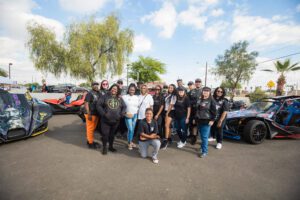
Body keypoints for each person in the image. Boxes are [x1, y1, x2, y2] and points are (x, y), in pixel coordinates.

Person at [96, 84, 126, 155]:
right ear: (110, 89)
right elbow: (98, 105)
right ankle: (104, 147)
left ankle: (110, 147)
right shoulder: (105, 96)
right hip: (106, 120)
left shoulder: (119, 98)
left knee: (112, 135)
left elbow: (124, 106)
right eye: (113, 88)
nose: (114, 90)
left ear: (117, 90)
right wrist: (104, 114)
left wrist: (121, 114)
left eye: (116, 89)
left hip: (116, 121)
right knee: (105, 135)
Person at [195, 87, 217, 158]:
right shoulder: (199, 99)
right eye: (204, 91)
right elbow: (197, 110)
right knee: (201, 136)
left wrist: (212, 120)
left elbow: (214, 112)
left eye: (207, 91)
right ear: (202, 92)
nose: (205, 92)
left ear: (210, 92)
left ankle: (205, 152)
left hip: (207, 121)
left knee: (204, 137)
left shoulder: (212, 100)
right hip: (199, 120)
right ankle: (202, 147)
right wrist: (195, 118)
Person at [122, 85, 139, 150]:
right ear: (128, 90)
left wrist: (136, 113)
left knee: (133, 130)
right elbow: (121, 105)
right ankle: (129, 143)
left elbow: (138, 106)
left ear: (135, 91)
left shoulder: (137, 97)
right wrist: (124, 113)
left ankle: (131, 142)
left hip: (135, 115)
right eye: (131, 90)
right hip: (128, 115)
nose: (132, 91)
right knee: (130, 129)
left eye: (133, 90)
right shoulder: (124, 97)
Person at [160, 84, 177, 150]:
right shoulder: (168, 95)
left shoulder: (174, 95)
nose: (170, 89)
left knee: (166, 125)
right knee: (168, 126)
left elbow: (171, 105)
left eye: (171, 88)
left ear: (174, 89)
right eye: (169, 87)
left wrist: (167, 113)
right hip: (166, 111)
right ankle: (169, 138)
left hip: (170, 111)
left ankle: (165, 140)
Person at [84, 82, 101, 149]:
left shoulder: (98, 93)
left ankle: (89, 140)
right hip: (90, 114)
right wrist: (89, 114)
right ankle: (90, 143)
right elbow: (86, 103)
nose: (96, 86)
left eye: (97, 85)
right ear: (92, 86)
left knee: (92, 128)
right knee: (90, 129)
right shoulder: (89, 93)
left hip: (96, 113)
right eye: (94, 85)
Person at [188, 78, 202, 145]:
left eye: (199, 82)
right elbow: (187, 101)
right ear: (195, 83)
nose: (198, 83)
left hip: (200, 111)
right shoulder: (191, 91)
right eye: (196, 82)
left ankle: (197, 137)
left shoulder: (203, 91)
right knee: (192, 125)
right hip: (192, 111)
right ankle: (193, 137)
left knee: (198, 125)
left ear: (201, 83)